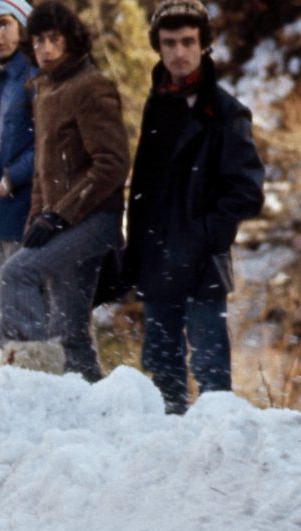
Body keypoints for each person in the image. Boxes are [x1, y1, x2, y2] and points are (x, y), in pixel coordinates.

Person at [123, 0, 265, 413]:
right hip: (157, 257)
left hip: (202, 262)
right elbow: (144, 185)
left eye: (188, 42)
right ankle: (171, 448)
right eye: (169, 43)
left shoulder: (226, 111)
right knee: (162, 375)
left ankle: (218, 449)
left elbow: (246, 190)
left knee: (212, 377)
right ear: (158, 47)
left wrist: (205, 235)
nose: (179, 52)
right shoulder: (157, 103)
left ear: (204, 45)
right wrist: (136, 249)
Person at [0, 0, 129, 378]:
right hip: (62, 220)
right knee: (68, 331)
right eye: (38, 40)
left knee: (15, 274)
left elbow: (112, 164)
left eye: (54, 38)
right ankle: (91, 399)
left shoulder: (91, 86)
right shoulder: (44, 89)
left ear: (71, 39)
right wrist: (37, 219)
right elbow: (43, 169)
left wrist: (59, 216)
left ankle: (35, 375)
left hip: (94, 217)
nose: (46, 48)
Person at [0, 0, 37, 349]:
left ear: (21, 24)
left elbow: (47, 141)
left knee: (22, 320)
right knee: (1, 319)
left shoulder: (32, 75)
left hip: (22, 210)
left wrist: (13, 176)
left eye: (3, 24)